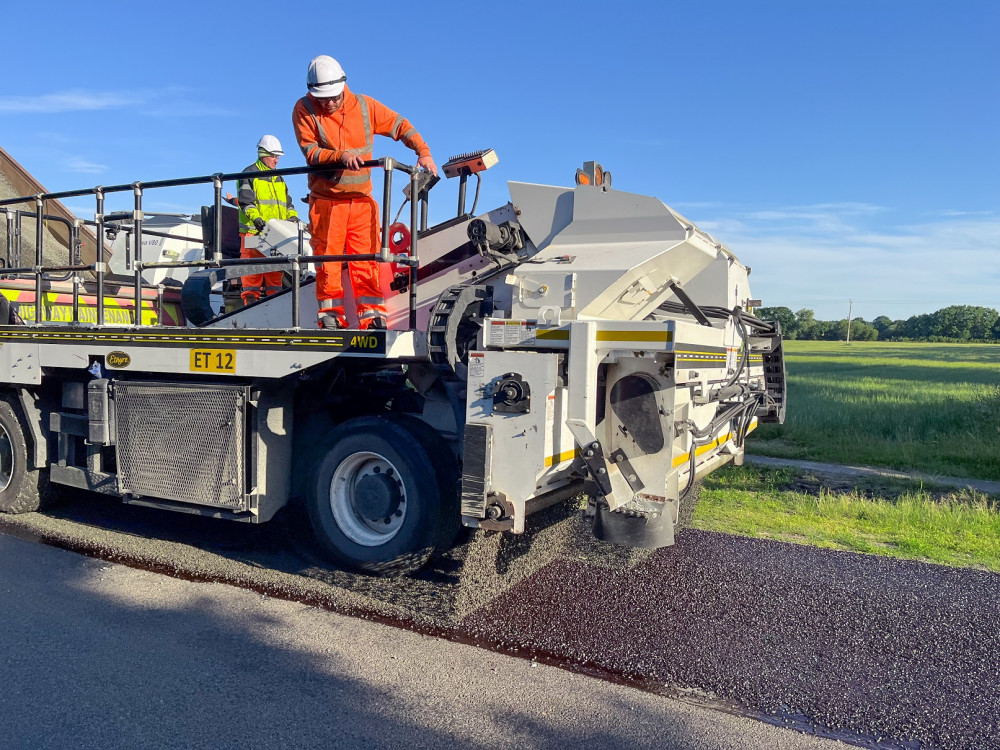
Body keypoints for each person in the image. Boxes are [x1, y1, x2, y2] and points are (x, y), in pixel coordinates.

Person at [292, 55, 437, 330]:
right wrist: (340, 156)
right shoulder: (303, 109)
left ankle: (372, 317)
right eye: (323, 98)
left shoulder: (364, 106)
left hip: (361, 203)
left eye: (333, 97)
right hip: (326, 203)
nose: (329, 103)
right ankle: (331, 317)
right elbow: (310, 151)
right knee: (328, 263)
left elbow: (400, 126)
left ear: (343, 86)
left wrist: (424, 152)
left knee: (367, 262)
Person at [236, 135, 299, 305]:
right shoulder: (249, 174)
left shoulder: (279, 178)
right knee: (252, 274)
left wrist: (293, 217)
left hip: (275, 235)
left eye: (278, 157)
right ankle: (249, 308)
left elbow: (288, 203)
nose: (277, 160)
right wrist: (256, 219)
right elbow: (245, 202)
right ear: (263, 154)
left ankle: (274, 306)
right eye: (274, 156)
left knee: (275, 276)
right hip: (252, 232)